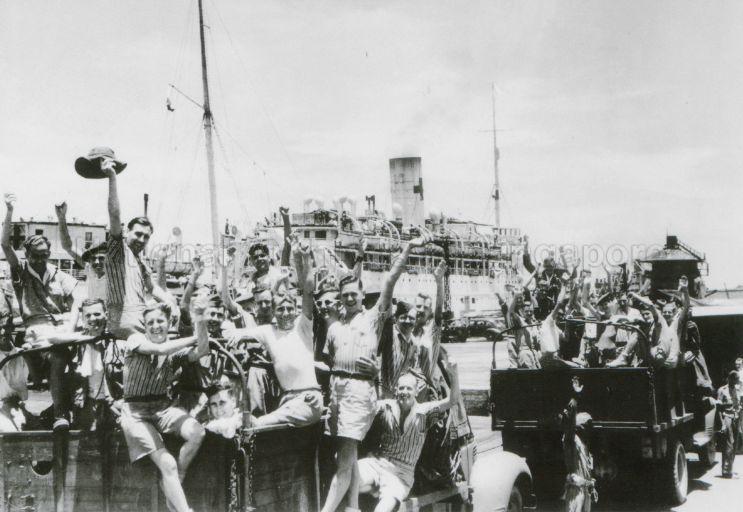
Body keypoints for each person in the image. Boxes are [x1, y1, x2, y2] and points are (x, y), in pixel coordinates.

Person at [321, 234, 432, 512]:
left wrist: (408, 247)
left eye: (354, 294)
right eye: (345, 295)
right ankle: (353, 506)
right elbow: (330, 362)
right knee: (345, 456)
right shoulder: (335, 327)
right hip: (337, 393)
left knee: (345, 456)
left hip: (359, 392)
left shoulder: (372, 318)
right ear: (340, 298)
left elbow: (390, 280)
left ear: (362, 296)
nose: (349, 298)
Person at [1, 193, 83, 430]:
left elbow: (78, 299)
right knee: (58, 358)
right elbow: (5, 245)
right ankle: (59, 415)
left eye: (44, 255)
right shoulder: (20, 273)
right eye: (35, 256)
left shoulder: (58, 274)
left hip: (62, 329)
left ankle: (64, 410)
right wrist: (9, 210)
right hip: (36, 330)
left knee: (76, 360)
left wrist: (70, 325)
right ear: (27, 255)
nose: (40, 259)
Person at [119, 300, 209, 512]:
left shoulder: (174, 350)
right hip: (135, 413)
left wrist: (200, 319)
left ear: (170, 323)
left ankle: (176, 479)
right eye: (150, 322)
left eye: (160, 321)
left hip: (163, 408)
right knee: (167, 462)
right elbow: (160, 349)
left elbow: (202, 350)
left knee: (198, 432)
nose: (155, 326)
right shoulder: (135, 339)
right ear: (144, 326)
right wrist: (195, 337)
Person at [228, 235, 323, 428]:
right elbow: (239, 333)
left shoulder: (303, 325)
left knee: (265, 422)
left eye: (289, 309)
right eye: (280, 309)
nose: (285, 313)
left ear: (295, 310)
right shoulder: (267, 331)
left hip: (309, 398)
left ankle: (255, 423)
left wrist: (305, 259)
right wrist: (232, 334)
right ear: (273, 311)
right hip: (286, 401)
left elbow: (308, 291)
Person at [356, 360, 461, 512]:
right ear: (396, 390)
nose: (404, 392)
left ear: (416, 392)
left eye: (409, 388)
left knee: (383, 507)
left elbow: (452, 401)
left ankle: (375, 489)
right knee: (351, 476)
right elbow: (367, 404)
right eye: (401, 388)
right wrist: (373, 376)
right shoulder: (387, 407)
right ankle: (362, 498)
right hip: (378, 464)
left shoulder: (425, 413)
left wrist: (454, 374)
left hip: (401, 475)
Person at [102, 160, 172, 339]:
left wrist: (171, 302)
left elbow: (152, 288)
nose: (142, 240)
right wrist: (112, 177)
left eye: (146, 237)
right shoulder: (118, 250)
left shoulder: (139, 261)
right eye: (138, 234)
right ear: (127, 232)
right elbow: (114, 215)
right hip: (123, 319)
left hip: (140, 318)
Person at [55, 201, 107, 302]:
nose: (97, 262)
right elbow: (67, 246)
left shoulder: (116, 273)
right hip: (92, 311)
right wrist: (61, 218)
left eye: (101, 258)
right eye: (93, 258)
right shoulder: (90, 269)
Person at [560, 376, 596, 512]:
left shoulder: (585, 445)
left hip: (585, 490)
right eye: (586, 425)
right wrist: (575, 396)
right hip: (575, 492)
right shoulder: (572, 439)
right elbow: (569, 423)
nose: (588, 428)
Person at [716, 370, 742, 478]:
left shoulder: (738, 390)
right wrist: (722, 423)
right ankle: (726, 471)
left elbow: (739, 405)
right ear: (730, 379)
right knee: (729, 444)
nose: (737, 382)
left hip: (736, 418)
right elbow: (718, 409)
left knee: (735, 445)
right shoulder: (722, 390)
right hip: (727, 417)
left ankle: (729, 468)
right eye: (736, 380)